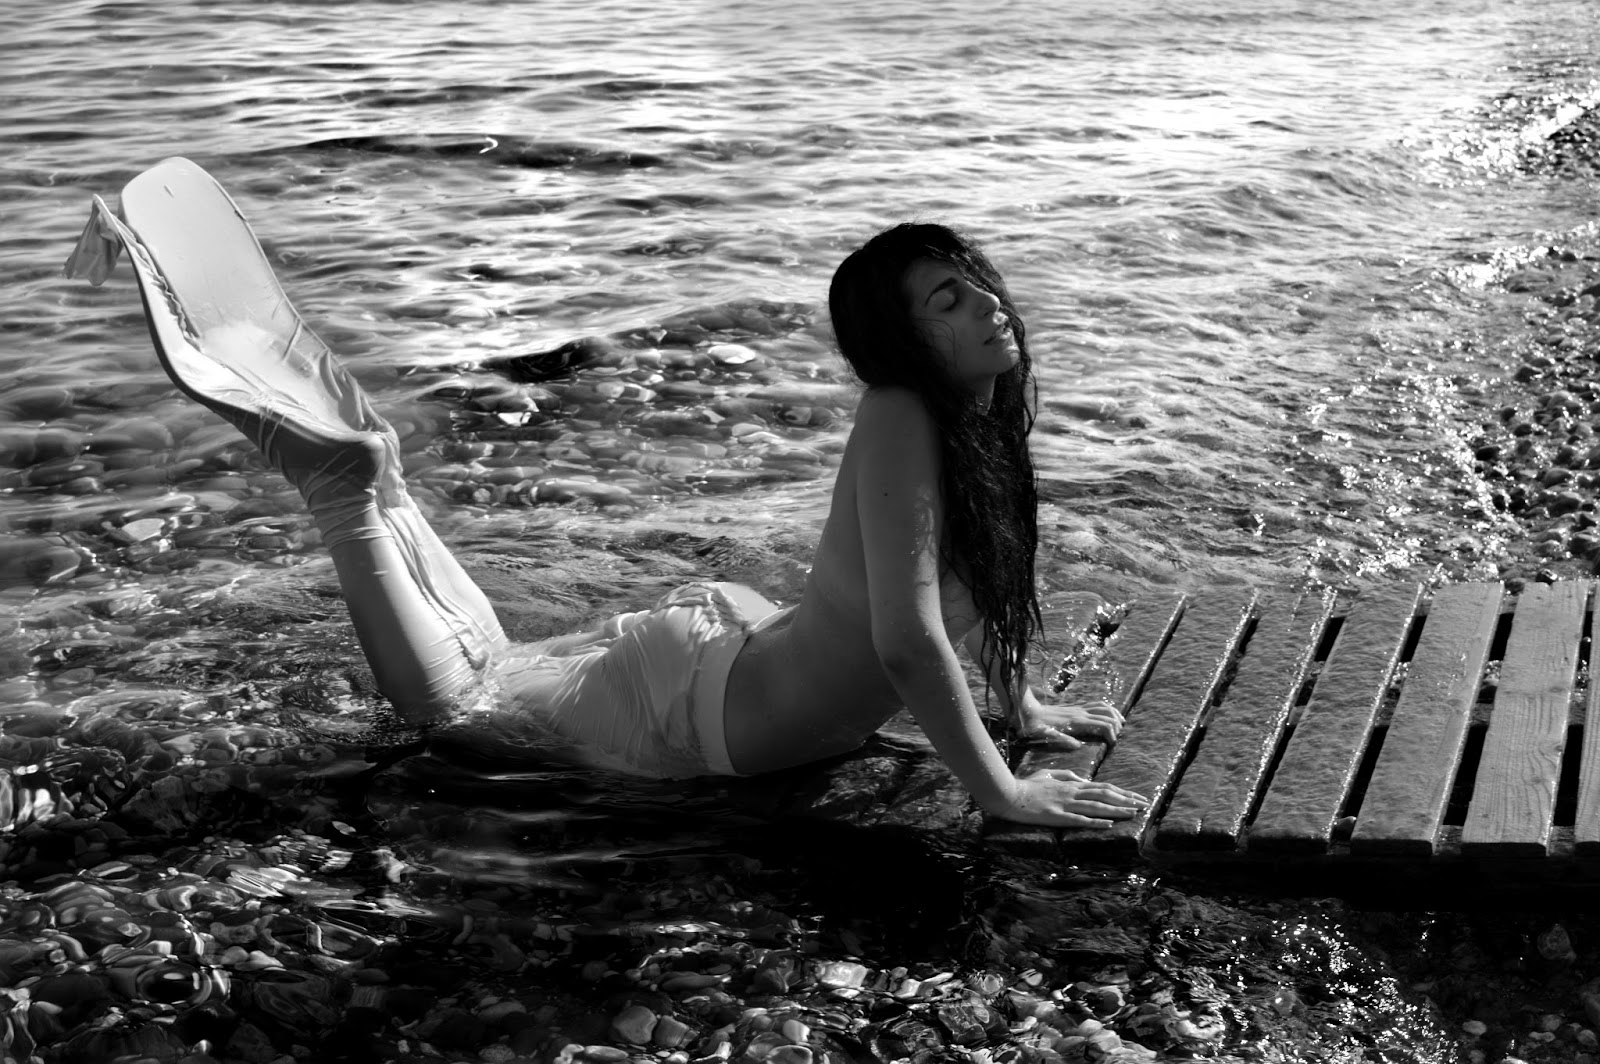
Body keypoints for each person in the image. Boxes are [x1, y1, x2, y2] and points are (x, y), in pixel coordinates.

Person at [65, 158, 1148, 828]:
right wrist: (1002, 791)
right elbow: (907, 639)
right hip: (703, 710)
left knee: (495, 676)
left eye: (976, 284)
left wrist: (1018, 705)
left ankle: (374, 470)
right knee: (459, 713)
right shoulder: (904, 411)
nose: (987, 306)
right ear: (901, 343)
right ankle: (343, 490)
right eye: (948, 301)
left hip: (739, 658)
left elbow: (979, 579)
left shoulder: (977, 420)